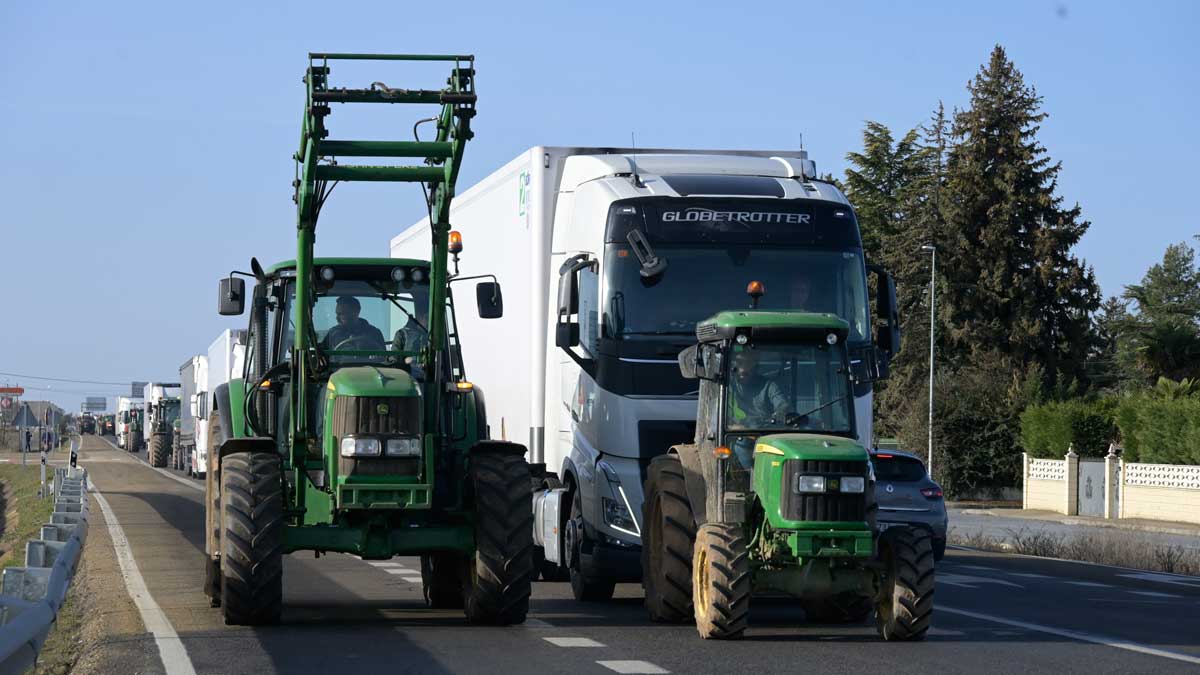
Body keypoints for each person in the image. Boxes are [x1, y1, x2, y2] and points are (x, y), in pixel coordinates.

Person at [727, 349, 791, 467]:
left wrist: (778, 416)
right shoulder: (727, 387)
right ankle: (748, 478)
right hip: (736, 434)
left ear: (755, 366)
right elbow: (717, 417)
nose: (743, 369)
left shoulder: (768, 385)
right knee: (741, 447)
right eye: (739, 363)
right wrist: (734, 426)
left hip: (765, 432)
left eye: (748, 364)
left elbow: (782, 405)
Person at [320, 296, 386, 351]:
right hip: (337, 367)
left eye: (341, 314)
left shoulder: (374, 333)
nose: (337, 318)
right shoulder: (333, 334)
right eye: (337, 314)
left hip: (370, 366)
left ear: (356, 311)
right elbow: (321, 357)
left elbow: (383, 359)